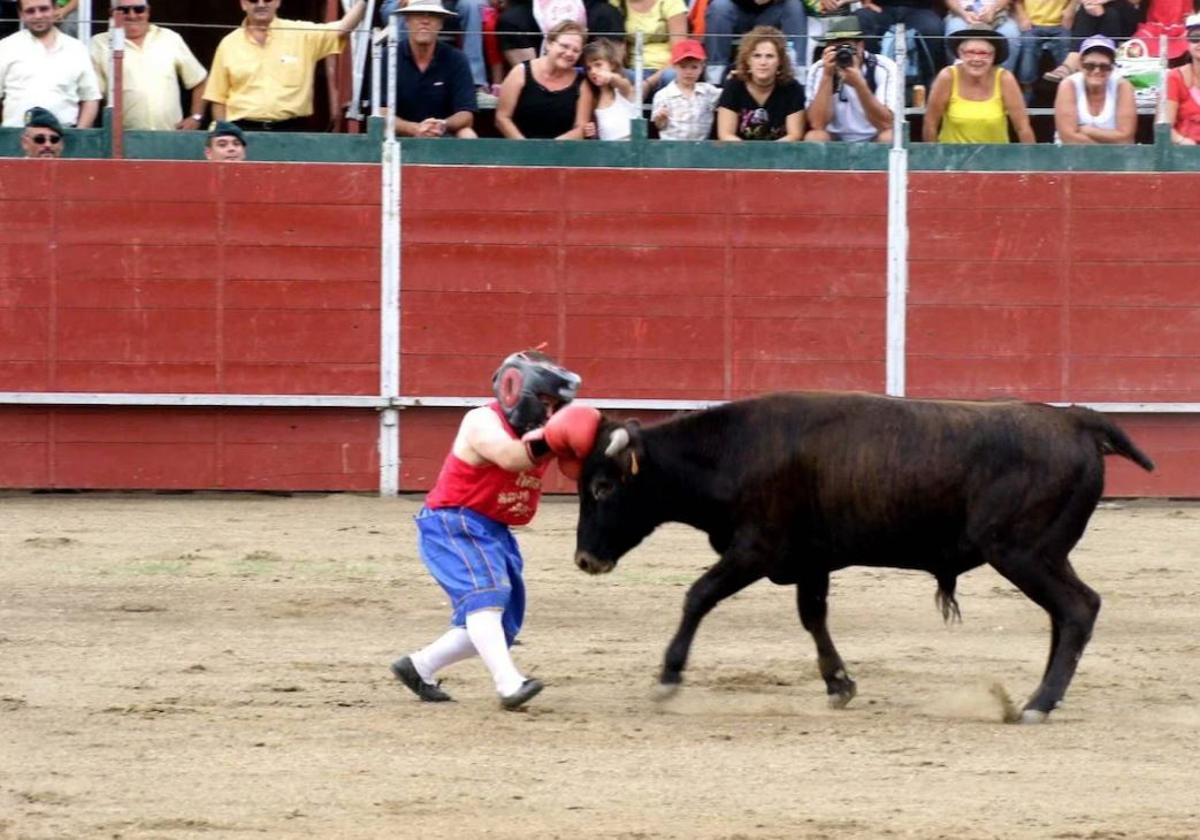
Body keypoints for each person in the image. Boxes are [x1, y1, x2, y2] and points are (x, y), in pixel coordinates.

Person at [390, 349, 592, 710]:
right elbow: (511, 456)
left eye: (557, 407)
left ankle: (419, 667)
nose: (551, 414)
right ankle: (509, 684)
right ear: (517, 392)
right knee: (488, 597)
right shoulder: (481, 420)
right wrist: (557, 437)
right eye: (545, 402)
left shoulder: (539, 431)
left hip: (492, 528)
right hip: (454, 521)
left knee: (500, 624)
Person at [203, 0, 368, 132]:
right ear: (243, 4)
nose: (261, 4)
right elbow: (218, 98)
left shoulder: (300, 34)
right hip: (243, 132)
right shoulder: (228, 44)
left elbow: (342, 28)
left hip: (293, 131)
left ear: (278, 2)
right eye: (253, 0)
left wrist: (364, 2)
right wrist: (226, 135)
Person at [89, 1, 209, 131]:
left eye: (139, 9)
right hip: (124, 140)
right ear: (111, 13)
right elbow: (91, 95)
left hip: (170, 137)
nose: (132, 15)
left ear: (148, 11)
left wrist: (196, 117)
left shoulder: (169, 38)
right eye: (124, 10)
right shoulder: (100, 44)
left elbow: (199, 80)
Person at [922, 26, 1034, 143]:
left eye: (983, 53)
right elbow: (930, 124)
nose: (976, 59)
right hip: (953, 157)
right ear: (960, 54)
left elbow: (1022, 127)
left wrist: (1031, 159)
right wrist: (933, 157)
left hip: (995, 156)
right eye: (970, 52)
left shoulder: (1004, 78)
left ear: (993, 56)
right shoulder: (948, 76)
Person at [0, 0, 101, 128]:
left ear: (55, 8)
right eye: (30, 11)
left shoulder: (77, 49)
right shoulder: (6, 47)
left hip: (65, 138)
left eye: (43, 9)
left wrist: (79, 137)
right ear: (21, 14)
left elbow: (90, 98)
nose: (38, 16)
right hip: (15, 138)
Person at [391, 0, 478, 137]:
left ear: (441, 23)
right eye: (418, 14)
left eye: (432, 15)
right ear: (407, 21)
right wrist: (415, 129)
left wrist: (442, 125)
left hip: (442, 134)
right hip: (398, 135)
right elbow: (380, 112)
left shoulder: (457, 58)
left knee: (467, 134)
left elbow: (466, 114)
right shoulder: (388, 56)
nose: (425, 21)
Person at [380, 0, 492, 105]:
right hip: (407, 4)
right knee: (408, 11)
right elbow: (387, 11)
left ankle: (475, 84)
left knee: (472, 5)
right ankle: (403, 75)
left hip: (446, 5)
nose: (425, 20)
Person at [804, 16, 896, 143]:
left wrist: (859, 84)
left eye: (847, 47)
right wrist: (827, 76)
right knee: (814, 137)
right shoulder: (819, 68)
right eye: (836, 48)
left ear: (861, 46)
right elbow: (817, 124)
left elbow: (886, 124)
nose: (842, 53)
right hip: (835, 139)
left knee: (889, 137)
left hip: (874, 137)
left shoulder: (884, 67)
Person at [495, 19, 588, 138]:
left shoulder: (582, 83)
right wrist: (526, 148)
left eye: (576, 50)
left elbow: (580, 128)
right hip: (520, 149)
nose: (569, 53)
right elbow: (502, 118)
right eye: (564, 46)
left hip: (561, 150)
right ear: (549, 44)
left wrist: (551, 149)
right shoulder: (521, 72)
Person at [716, 25, 806, 140]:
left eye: (770, 56)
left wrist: (767, 155)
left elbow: (794, 135)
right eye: (757, 56)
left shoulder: (793, 88)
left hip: (780, 153)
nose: (763, 62)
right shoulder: (734, 85)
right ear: (748, 60)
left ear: (780, 61)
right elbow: (726, 135)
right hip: (740, 154)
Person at [1053, 33, 1135, 143]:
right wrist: (1107, 149)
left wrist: (1086, 130)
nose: (1097, 71)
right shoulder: (1068, 85)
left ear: (1112, 68)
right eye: (1090, 66)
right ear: (1080, 65)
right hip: (1072, 156)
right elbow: (1069, 138)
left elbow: (1125, 138)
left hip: (1114, 158)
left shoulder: (1123, 86)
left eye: (1104, 67)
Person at [704, 0, 807, 86]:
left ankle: (796, 79)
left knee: (794, 5)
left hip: (772, 14)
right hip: (736, 11)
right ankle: (714, 81)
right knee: (718, 6)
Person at [1042, 0, 1141, 83]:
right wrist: (1089, 3)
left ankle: (1071, 63)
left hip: (1124, 15)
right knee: (1086, 12)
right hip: (1091, 12)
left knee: (1110, 13)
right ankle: (1104, 64)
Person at [651, 38, 721, 140]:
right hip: (672, 148)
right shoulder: (663, 95)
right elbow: (659, 126)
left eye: (694, 67)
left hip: (701, 148)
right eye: (683, 67)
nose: (689, 72)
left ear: (702, 67)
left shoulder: (708, 91)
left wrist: (732, 79)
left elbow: (727, 97)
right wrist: (661, 119)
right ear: (674, 66)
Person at [615, 0, 687, 96]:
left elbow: (679, 52)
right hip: (632, 69)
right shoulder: (617, 3)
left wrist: (648, 83)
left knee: (673, 75)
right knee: (611, 74)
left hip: (665, 69)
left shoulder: (672, 2)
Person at [1013, 0, 1072, 101]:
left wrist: (1070, 11)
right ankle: (1027, 89)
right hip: (1032, 25)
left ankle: (1068, 91)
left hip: (1059, 25)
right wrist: (1022, 16)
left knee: (1066, 48)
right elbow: (1017, 2)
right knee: (1028, 49)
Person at [580, 37, 638, 138]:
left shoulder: (622, 90)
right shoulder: (594, 98)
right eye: (588, 68)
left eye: (598, 65)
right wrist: (591, 130)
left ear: (612, 65)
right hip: (608, 150)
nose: (593, 71)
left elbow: (623, 83)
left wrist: (611, 77)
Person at [944, 0, 1020, 72]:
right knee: (954, 33)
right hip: (960, 13)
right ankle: (959, 79)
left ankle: (1002, 80)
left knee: (1010, 36)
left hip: (998, 13)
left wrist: (993, 9)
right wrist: (964, 13)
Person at [1165, 13, 1200, 145]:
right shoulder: (1175, 77)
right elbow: (1165, 127)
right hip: (1186, 153)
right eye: (1195, 37)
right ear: (1187, 42)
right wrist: (1182, 141)